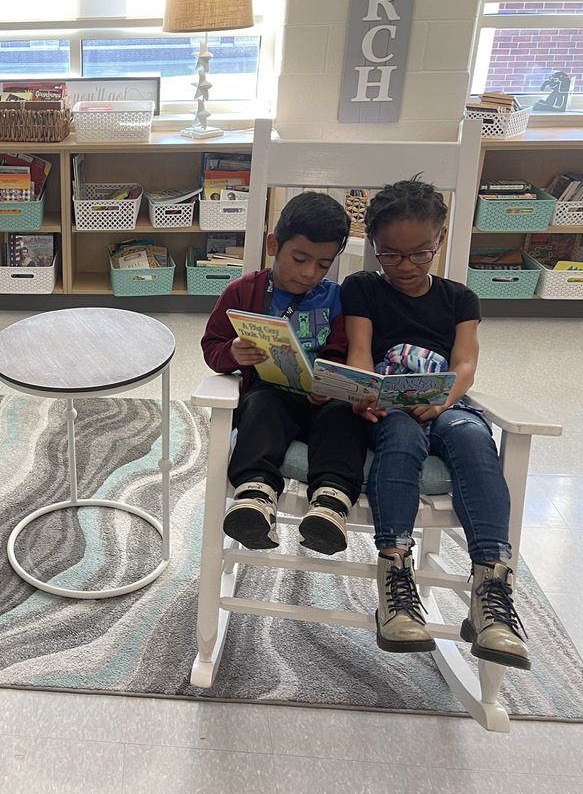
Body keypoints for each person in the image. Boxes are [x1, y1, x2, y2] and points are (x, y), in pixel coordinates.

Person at [343, 176, 529, 670]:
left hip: (446, 403)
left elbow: (465, 362)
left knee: (474, 438)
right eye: (390, 255)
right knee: (401, 436)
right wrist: (365, 394)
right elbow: (361, 354)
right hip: (388, 406)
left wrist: (448, 394)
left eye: (419, 253)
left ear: (440, 240)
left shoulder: (460, 298)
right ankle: (395, 578)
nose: (405, 267)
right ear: (374, 248)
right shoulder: (362, 288)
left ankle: (491, 586)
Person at [201, 191, 368, 555]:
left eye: (323, 265)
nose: (309, 273)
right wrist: (232, 352)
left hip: (323, 401)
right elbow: (212, 346)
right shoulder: (243, 291)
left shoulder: (337, 299)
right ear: (274, 244)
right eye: (300, 258)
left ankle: (331, 504)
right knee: (261, 406)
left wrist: (331, 380)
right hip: (271, 396)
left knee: (343, 417)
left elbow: (344, 351)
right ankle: (255, 495)